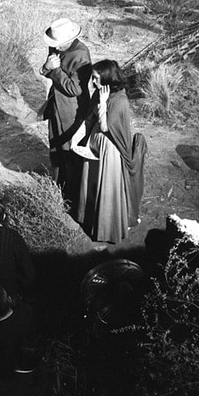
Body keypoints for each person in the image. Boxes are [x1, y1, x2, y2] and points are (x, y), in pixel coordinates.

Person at [70, 60, 147, 244]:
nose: (93, 82)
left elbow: (106, 127)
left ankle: (106, 228)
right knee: (94, 184)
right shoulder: (101, 92)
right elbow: (89, 119)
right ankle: (91, 218)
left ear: (106, 78)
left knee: (107, 190)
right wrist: (76, 138)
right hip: (97, 145)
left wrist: (103, 104)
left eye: (96, 78)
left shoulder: (120, 100)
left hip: (110, 151)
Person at [40, 18, 92, 221]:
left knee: (69, 150)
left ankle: (72, 198)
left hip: (71, 111)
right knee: (56, 146)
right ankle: (58, 186)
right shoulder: (57, 47)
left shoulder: (81, 55)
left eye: (56, 45)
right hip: (56, 106)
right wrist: (47, 67)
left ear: (69, 40)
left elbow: (74, 88)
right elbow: (48, 70)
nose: (53, 48)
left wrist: (55, 70)